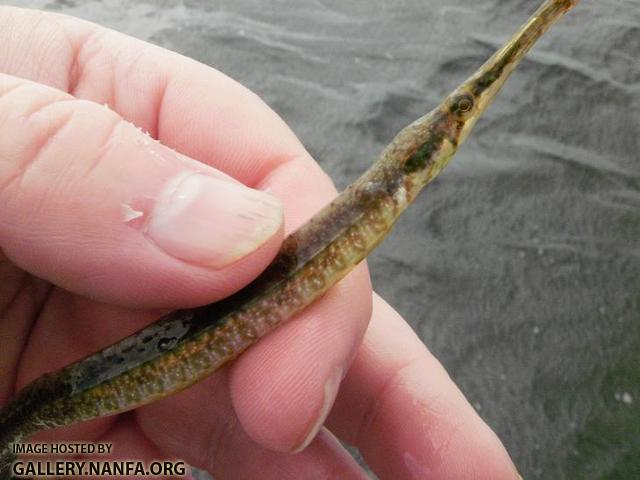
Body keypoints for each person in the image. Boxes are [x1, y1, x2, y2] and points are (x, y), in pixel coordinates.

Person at [0, 6, 521, 479]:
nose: (469, 109)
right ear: (428, 149)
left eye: (464, 107)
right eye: (464, 106)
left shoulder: (393, 187)